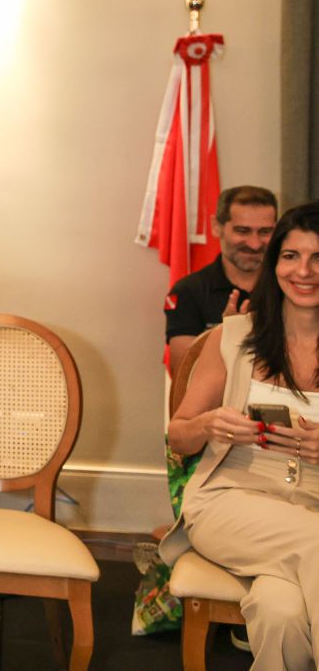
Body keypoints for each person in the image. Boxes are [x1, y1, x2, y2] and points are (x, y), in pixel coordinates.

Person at [163, 200, 319, 670]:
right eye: (290, 256)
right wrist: (209, 424)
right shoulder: (231, 337)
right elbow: (179, 437)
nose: (304, 271)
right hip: (230, 500)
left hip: (311, 507)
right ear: (274, 263)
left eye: (318, 258)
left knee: (280, 612)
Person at [166, 186, 278, 377]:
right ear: (216, 227)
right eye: (242, 231)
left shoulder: (291, 286)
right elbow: (184, 376)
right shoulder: (189, 291)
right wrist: (224, 335)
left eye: (265, 232)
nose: (254, 244)